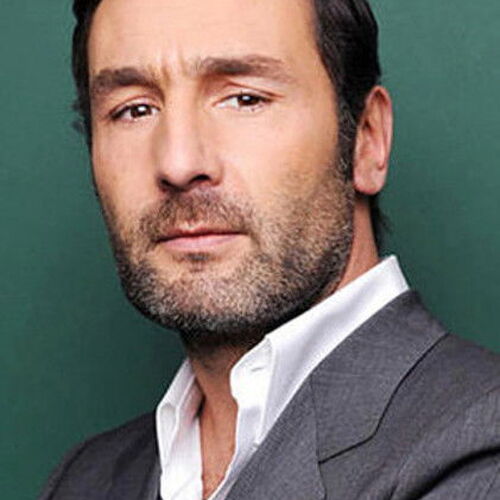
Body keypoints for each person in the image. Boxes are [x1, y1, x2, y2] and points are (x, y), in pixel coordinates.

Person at [40, 0, 500, 498]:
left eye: (244, 99)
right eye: (134, 110)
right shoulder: (82, 480)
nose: (178, 163)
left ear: (367, 140)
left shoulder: (481, 449)